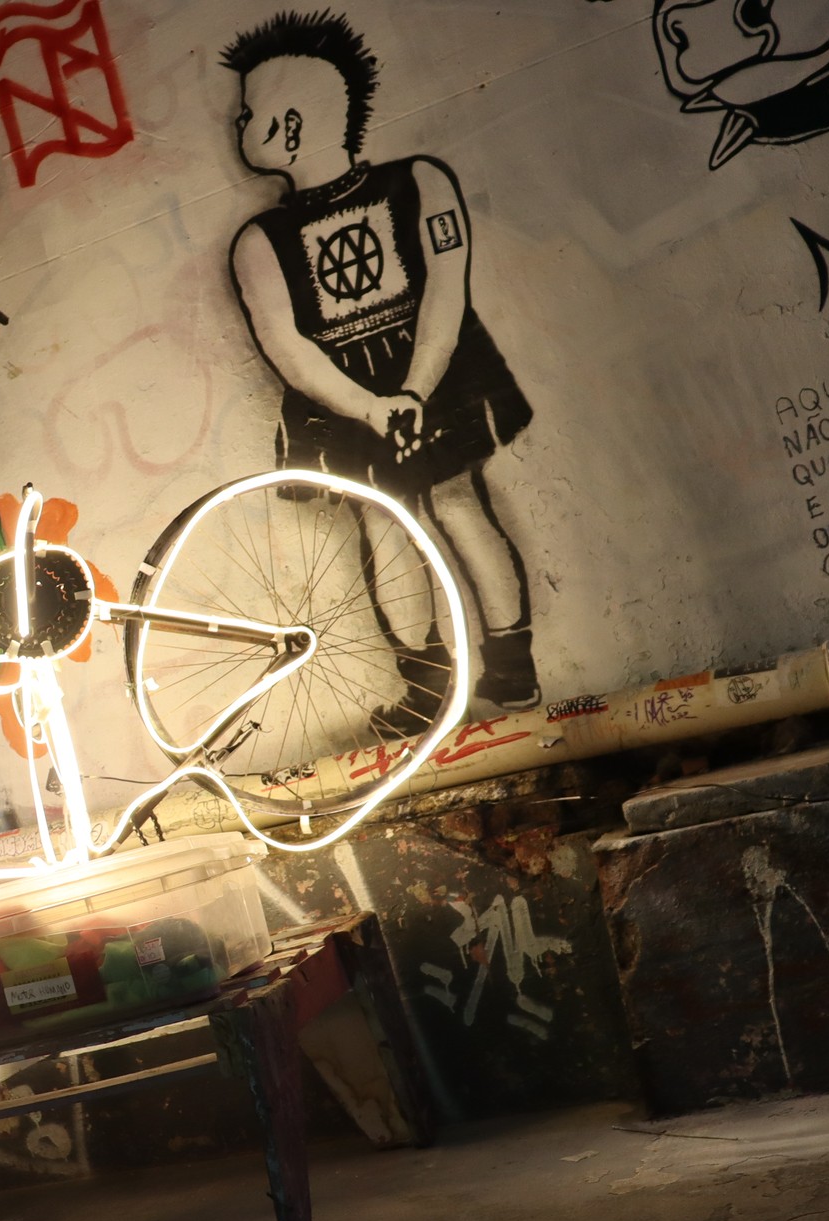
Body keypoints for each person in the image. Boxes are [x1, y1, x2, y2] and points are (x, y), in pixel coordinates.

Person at [224, 10, 542, 723]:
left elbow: (444, 295)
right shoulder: (266, 240)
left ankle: (469, 682)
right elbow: (288, 346)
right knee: (413, 513)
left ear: (288, 127)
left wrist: (407, 393)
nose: (238, 124)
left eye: (248, 113)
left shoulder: (414, 185)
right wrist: (383, 402)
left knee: (426, 511)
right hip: (373, 389)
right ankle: (462, 682)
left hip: (406, 377)